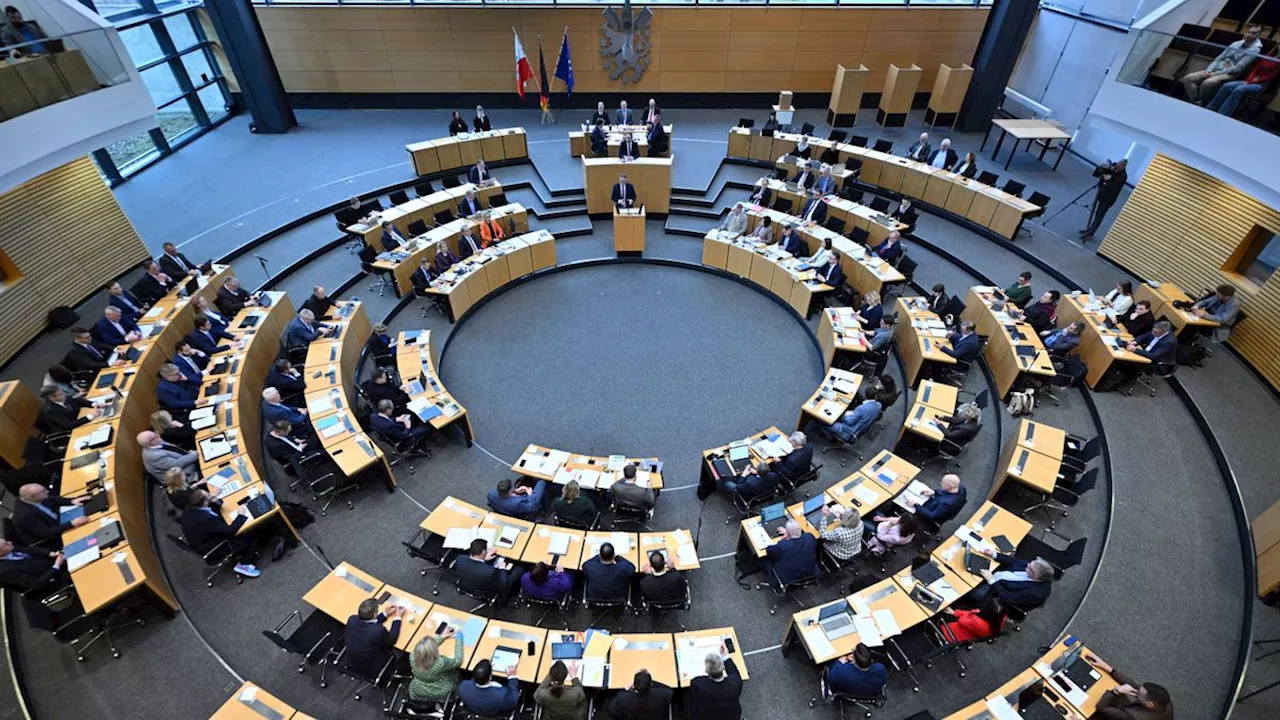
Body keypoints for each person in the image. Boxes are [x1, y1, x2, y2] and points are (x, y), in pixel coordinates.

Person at [180, 488, 261, 577]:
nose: (211, 494)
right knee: (251, 536)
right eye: (208, 495)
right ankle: (245, 564)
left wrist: (216, 500)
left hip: (204, 539)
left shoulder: (190, 508)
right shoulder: (206, 519)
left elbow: (212, 509)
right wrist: (241, 515)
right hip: (218, 547)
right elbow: (230, 531)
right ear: (205, 502)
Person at [1180, 24, 1263, 104]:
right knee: (1188, 79)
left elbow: (1238, 67)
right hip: (1215, 70)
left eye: (1254, 33)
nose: (1249, 35)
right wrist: (1208, 71)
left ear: (1259, 35)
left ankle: (1202, 104)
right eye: (1249, 32)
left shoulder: (1255, 50)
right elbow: (1219, 58)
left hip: (1229, 73)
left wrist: (1215, 74)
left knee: (1207, 83)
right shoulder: (1236, 43)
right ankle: (1196, 101)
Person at [1086, 655, 1174, 719]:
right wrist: (1107, 668)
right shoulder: (1164, 702)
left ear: (1150, 704)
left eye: (1139, 693)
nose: (1137, 690)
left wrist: (1115, 691)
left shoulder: (1133, 717)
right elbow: (1132, 684)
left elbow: (1101, 707)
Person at [13, 484, 88, 546]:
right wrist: (72, 523)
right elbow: (45, 533)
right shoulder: (26, 515)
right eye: (43, 491)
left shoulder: (30, 498)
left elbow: (52, 499)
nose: (47, 491)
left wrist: (71, 501)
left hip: (59, 520)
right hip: (52, 539)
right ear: (33, 497)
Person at [969, 555, 1054, 609]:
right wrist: (995, 555)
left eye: (1029, 568)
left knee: (973, 591)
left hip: (997, 593)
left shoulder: (1034, 593)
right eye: (1029, 564)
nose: (1027, 565)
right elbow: (1014, 561)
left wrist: (991, 581)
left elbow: (1006, 597)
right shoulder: (1033, 566)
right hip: (996, 575)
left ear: (1035, 576)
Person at [344, 597, 403, 676]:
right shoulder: (378, 630)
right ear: (375, 614)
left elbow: (367, 623)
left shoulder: (352, 619)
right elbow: (392, 639)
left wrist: (385, 614)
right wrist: (397, 617)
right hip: (371, 665)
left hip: (352, 660)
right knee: (400, 651)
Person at [1207, 54, 1280, 116]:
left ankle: (1223, 114)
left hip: (1262, 84)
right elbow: (1256, 69)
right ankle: (1211, 108)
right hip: (1250, 80)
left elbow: (1272, 76)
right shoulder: (1269, 55)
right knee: (1227, 86)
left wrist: (1257, 80)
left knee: (1239, 89)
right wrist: (1250, 80)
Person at [409, 628, 464, 709]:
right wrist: (459, 640)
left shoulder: (413, 655)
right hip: (439, 690)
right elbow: (457, 661)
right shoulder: (440, 662)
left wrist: (442, 636)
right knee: (456, 675)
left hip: (418, 688)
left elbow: (426, 649)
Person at [453, 539, 522, 600]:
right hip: (486, 589)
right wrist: (502, 568)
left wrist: (484, 559)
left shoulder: (460, 558)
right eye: (486, 550)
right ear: (483, 552)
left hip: (468, 584)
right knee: (519, 568)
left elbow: (474, 566)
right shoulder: (490, 571)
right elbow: (502, 584)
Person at [1081, 158, 1127, 241]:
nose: (1117, 165)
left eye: (1120, 165)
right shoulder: (1113, 166)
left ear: (1123, 166)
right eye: (1118, 163)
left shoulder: (1123, 176)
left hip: (1109, 198)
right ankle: (1089, 229)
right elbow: (1096, 174)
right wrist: (1101, 168)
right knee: (1095, 212)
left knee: (1099, 215)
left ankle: (1090, 233)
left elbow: (1114, 188)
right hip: (1101, 194)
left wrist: (1108, 179)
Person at [764, 520, 818, 587]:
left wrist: (783, 539)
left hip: (789, 578)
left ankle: (773, 581)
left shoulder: (783, 545)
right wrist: (790, 533)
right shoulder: (810, 537)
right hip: (809, 572)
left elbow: (769, 550)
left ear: (787, 533)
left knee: (765, 560)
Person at [609, 669, 673, 720]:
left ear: (634, 685)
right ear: (651, 684)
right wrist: (650, 681)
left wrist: (624, 690)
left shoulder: (623, 699)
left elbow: (612, 712)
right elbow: (669, 690)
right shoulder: (663, 695)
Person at [940, 595, 1006, 643]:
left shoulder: (977, 623)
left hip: (952, 633)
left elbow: (962, 620)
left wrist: (954, 612)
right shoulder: (1001, 617)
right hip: (971, 633)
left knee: (939, 613)